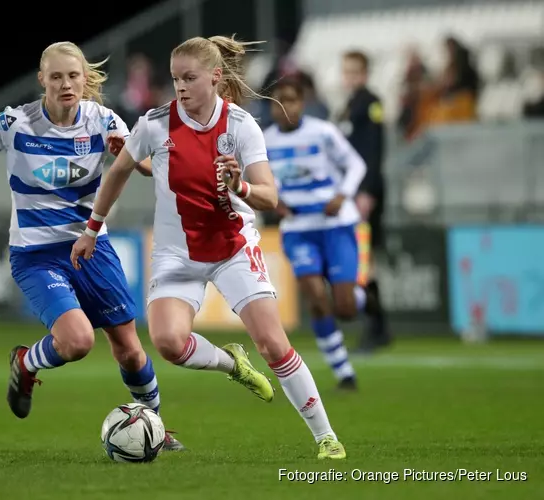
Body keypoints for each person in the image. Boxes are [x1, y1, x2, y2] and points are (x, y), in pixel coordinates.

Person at [0, 41, 184, 451]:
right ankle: (26, 364)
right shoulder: (16, 122)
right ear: (42, 79)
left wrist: (131, 159)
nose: (67, 84)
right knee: (78, 341)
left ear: (84, 78)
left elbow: (149, 168)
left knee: (131, 352)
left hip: (91, 248)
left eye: (74, 75)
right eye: (57, 76)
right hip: (36, 254)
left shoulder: (103, 120)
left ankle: (154, 424)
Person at [71, 35, 346, 460]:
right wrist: (92, 228)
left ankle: (326, 436)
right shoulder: (155, 124)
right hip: (175, 254)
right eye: (175, 78)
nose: (179, 86)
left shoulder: (240, 126)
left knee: (274, 345)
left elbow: (270, 197)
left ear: (215, 77)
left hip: (233, 248)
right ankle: (232, 364)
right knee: (168, 342)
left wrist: (240, 185)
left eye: (189, 78)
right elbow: (118, 172)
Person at [264, 76, 386, 390]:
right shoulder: (264, 141)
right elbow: (258, 181)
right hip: (298, 230)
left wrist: (342, 195)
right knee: (317, 299)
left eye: (290, 101)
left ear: (301, 103)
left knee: (344, 308)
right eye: (278, 103)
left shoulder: (323, 132)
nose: (284, 108)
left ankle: (361, 297)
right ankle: (344, 372)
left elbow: (357, 165)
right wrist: (272, 201)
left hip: (336, 225)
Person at [336, 50, 389, 352]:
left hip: (364, 194)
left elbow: (373, 149)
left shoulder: (370, 104)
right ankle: (376, 325)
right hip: (353, 193)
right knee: (361, 260)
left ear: (365, 73)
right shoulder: (351, 105)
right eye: (346, 72)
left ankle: (377, 326)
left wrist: (366, 191)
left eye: (354, 72)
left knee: (365, 260)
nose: (350, 77)